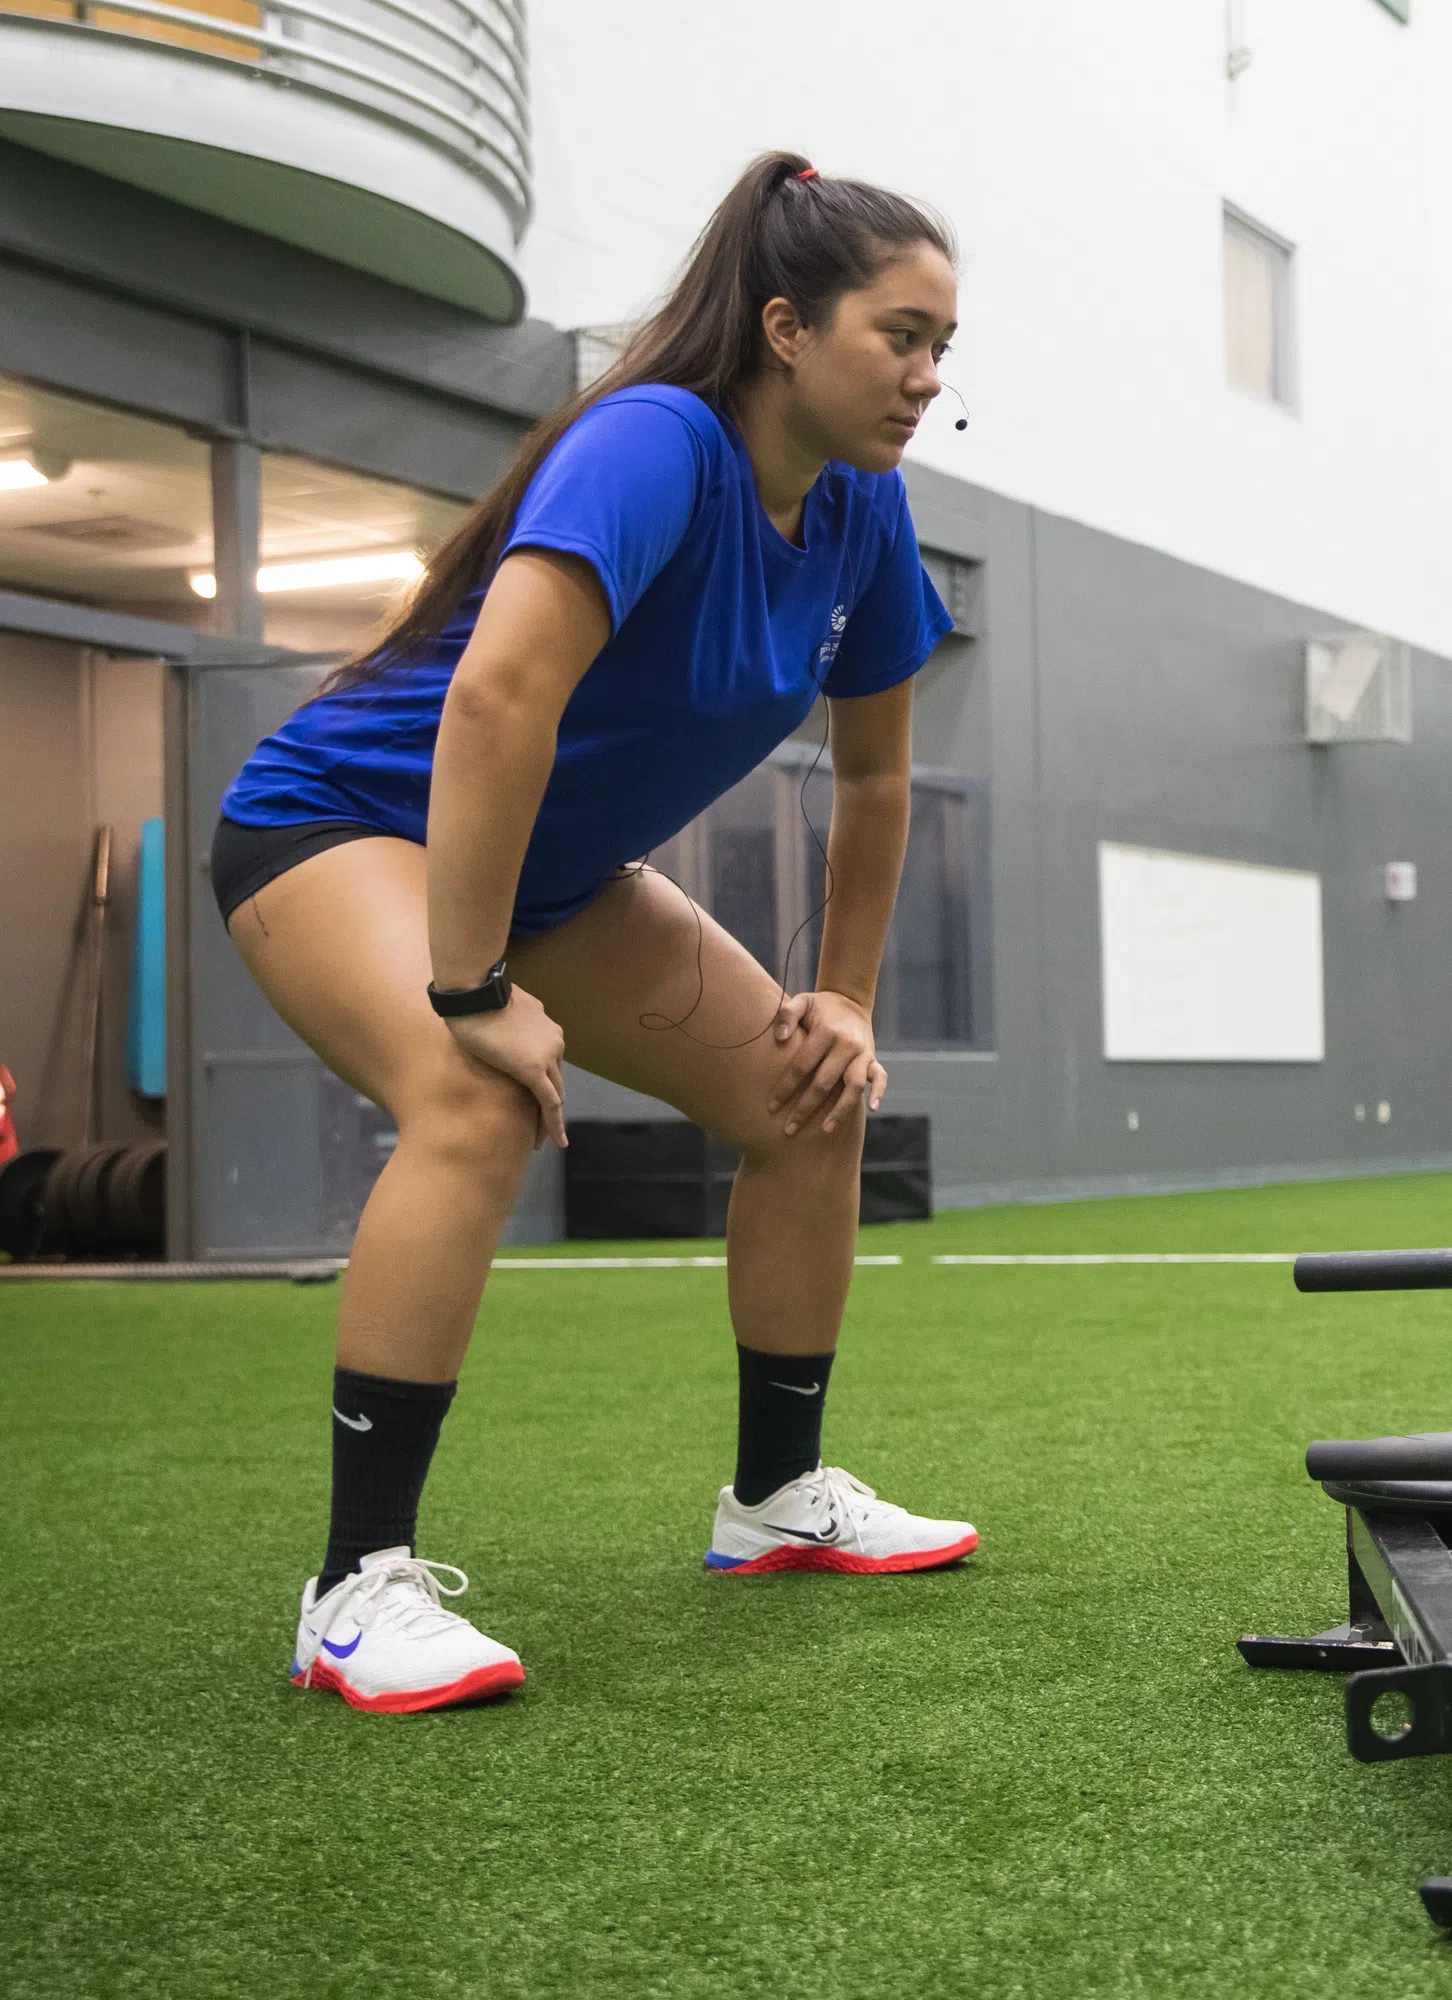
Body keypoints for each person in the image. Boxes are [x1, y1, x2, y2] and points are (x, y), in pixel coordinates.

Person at [219, 153, 978, 1712]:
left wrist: (841, 995)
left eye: (942, 348)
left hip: (551, 875)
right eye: (900, 336)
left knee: (807, 1092)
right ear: (785, 327)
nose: (926, 376)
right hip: (345, 826)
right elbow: (499, 697)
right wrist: (468, 983)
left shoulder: (864, 515)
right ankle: (355, 1586)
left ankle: (777, 1500)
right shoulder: (653, 445)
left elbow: (881, 773)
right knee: (473, 1094)